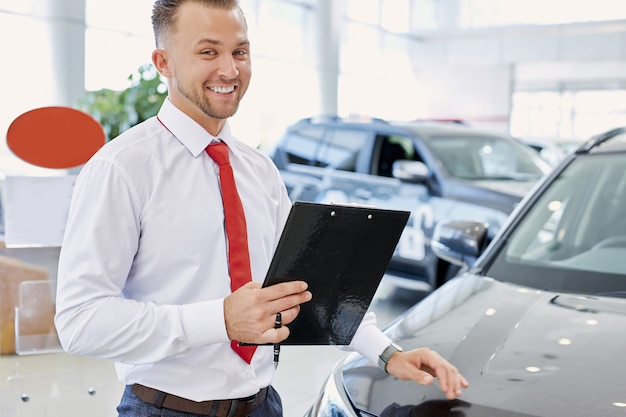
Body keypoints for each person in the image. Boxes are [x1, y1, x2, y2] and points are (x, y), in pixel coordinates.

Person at [54, 0, 469, 416]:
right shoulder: (122, 168)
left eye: (240, 51)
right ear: (164, 62)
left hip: (264, 405)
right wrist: (220, 320)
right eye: (208, 52)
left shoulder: (260, 171)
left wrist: (387, 354)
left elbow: (309, 286)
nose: (230, 70)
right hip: (166, 409)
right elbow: (80, 321)